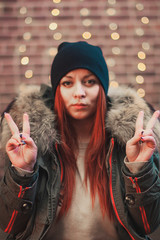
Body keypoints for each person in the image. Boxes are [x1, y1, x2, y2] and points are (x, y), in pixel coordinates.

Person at [0, 41, 160, 240]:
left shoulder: (130, 142)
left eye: (89, 81)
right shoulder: (32, 143)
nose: (79, 92)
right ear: (57, 89)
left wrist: (139, 168)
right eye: (67, 83)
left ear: (102, 88)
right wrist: (23, 172)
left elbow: (148, 225)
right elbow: (10, 225)